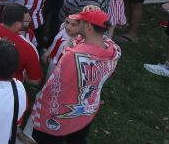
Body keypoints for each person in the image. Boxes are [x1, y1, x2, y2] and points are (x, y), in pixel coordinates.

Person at [31, 7, 121, 144]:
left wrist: (41, 107)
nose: (75, 24)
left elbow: (54, 88)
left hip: (60, 116)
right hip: (86, 111)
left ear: (88, 26)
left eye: (79, 22)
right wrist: (96, 14)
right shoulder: (113, 49)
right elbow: (99, 37)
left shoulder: (72, 56)